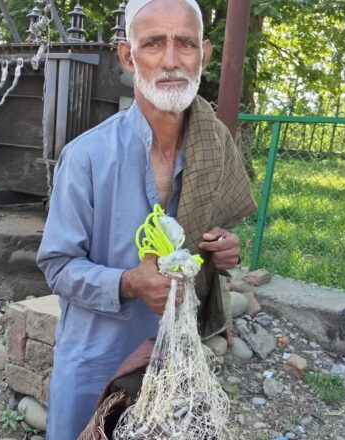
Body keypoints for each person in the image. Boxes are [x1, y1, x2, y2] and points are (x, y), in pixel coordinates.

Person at [36, 0, 256, 437]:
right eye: (154, 43)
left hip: (177, 351)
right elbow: (57, 266)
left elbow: (207, 234)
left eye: (185, 44)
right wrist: (130, 283)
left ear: (204, 56)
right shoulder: (87, 157)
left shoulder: (214, 146)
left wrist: (221, 250)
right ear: (127, 55)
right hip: (97, 355)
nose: (172, 60)